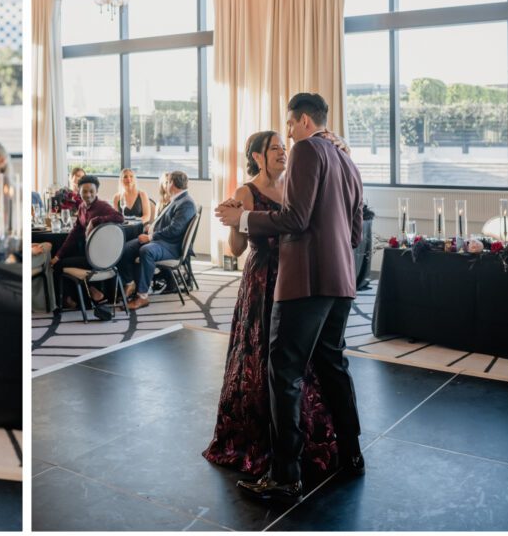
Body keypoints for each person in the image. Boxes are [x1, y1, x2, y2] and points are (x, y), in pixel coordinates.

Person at [216, 93, 364, 503]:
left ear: (300, 121)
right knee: (333, 365)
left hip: (306, 282)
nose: (288, 139)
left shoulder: (307, 150)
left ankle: (285, 477)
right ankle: (352, 455)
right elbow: (354, 233)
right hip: (341, 280)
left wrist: (242, 218)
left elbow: (296, 219)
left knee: (284, 373)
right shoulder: (346, 158)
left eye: (289, 126)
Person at [203, 131, 338, 478]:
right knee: (260, 352)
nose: (282, 152)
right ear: (257, 156)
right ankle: (261, 437)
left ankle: (295, 434)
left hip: (295, 275)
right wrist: (235, 218)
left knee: (293, 357)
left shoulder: (294, 182)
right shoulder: (245, 191)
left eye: (283, 146)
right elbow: (235, 248)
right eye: (274, 148)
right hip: (264, 277)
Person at [118, 171, 197, 310]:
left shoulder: (186, 203)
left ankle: (142, 296)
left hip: (171, 246)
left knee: (146, 250)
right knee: (125, 249)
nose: (166, 185)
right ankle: (130, 283)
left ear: (171, 183)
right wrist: (151, 227)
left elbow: (174, 230)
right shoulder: (178, 199)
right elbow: (168, 223)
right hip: (162, 240)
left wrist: (150, 237)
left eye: (168, 182)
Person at [49, 175, 124, 309]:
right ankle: (89, 294)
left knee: (60, 266)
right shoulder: (82, 207)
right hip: (90, 255)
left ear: (97, 192)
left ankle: (71, 300)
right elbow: (74, 232)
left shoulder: (102, 205)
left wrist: (95, 220)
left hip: (100, 258)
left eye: (91, 191)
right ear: (79, 191)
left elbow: (119, 217)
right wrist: (58, 255)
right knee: (62, 259)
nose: (88, 195)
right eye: (84, 191)